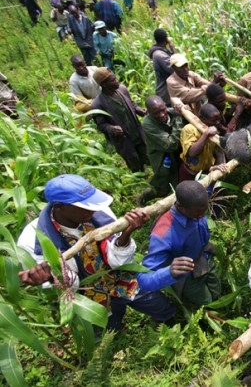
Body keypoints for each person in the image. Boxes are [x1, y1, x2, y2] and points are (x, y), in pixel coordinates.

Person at [17, 174, 175, 331]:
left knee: (160, 306)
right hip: (89, 295)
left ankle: (169, 326)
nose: (91, 210)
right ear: (59, 206)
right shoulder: (33, 241)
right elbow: (69, 287)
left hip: (121, 276)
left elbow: (118, 258)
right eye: (83, 206)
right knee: (108, 328)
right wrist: (54, 276)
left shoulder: (97, 212)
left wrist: (126, 233)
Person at [137, 181, 221, 306]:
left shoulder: (197, 203)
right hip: (186, 275)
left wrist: (215, 175)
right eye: (198, 213)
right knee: (206, 302)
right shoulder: (163, 234)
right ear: (181, 207)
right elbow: (143, 280)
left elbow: (208, 187)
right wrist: (169, 272)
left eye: (204, 210)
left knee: (216, 289)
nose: (202, 215)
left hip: (205, 257)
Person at [91, 68, 149, 172]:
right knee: (133, 160)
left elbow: (131, 103)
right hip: (123, 139)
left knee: (146, 153)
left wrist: (138, 109)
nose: (117, 81)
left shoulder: (122, 90)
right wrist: (111, 128)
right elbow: (101, 125)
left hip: (136, 132)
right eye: (113, 80)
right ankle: (139, 178)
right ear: (104, 84)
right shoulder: (98, 104)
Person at [139, 96, 183, 205]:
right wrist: (178, 119)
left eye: (163, 110)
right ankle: (143, 197)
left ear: (165, 104)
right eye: (156, 113)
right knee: (163, 183)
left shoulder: (173, 113)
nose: (162, 114)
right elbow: (170, 145)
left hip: (177, 154)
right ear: (148, 112)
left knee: (176, 179)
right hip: (161, 156)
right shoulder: (148, 124)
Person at [179, 103, 226, 182]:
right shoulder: (189, 129)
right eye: (214, 120)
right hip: (190, 174)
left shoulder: (214, 129)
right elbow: (192, 153)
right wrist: (206, 134)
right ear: (202, 118)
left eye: (219, 119)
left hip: (206, 172)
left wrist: (213, 167)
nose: (218, 122)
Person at [148, 28, 176, 104]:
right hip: (166, 92)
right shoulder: (159, 55)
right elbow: (176, 67)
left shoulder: (161, 52)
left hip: (168, 90)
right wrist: (173, 48)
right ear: (166, 39)